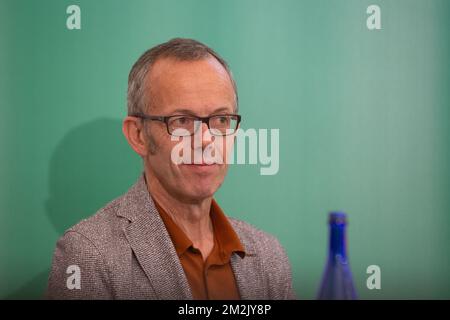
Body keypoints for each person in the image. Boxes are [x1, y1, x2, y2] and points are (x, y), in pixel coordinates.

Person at [46, 38, 295, 299]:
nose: (206, 139)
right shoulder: (89, 256)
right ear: (138, 135)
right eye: (182, 121)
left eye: (221, 119)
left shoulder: (269, 256)